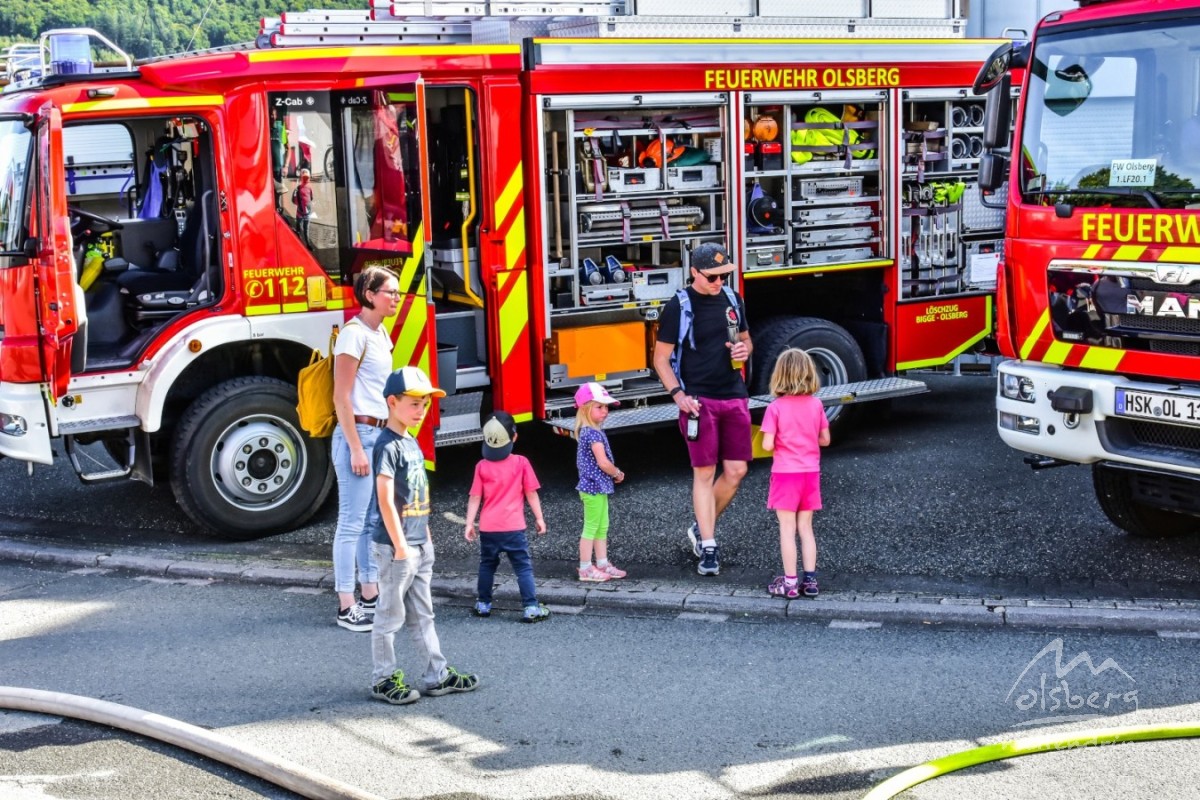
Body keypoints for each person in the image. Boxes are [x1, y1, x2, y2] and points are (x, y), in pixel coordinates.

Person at [366, 366, 480, 705]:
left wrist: (425, 536)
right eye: (414, 404)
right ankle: (383, 679)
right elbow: (385, 500)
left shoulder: (411, 441)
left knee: (423, 614)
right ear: (391, 402)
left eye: (425, 404)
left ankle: (437, 675)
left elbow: (415, 493)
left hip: (417, 544)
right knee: (390, 616)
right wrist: (401, 545)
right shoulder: (387, 445)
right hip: (395, 548)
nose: (421, 411)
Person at [651, 242, 752, 577]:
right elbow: (660, 358)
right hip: (698, 400)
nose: (718, 283)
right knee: (704, 473)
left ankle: (700, 526)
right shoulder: (678, 306)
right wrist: (678, 395)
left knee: (736, 471)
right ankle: (709, 546)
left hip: (734, 394)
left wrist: (744, 350)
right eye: (712, 277)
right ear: (694, 272)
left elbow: (747, 340)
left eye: (724, 276)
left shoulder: (732, 299)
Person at [330, 266, 401, 632]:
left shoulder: (380, 333)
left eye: (398, 292)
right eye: (390, 292)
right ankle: (346, 606)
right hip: (356, 434)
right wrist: (356, 448)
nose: (396, 298)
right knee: (351, 522)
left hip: (375, 433)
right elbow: (340, 397)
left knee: (370, 522)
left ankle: (370, 595)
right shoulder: (352, 335)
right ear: (370, 294)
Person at [464, 411, 551, 623]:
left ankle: (483, 604)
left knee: (487, 565)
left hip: (488, 528)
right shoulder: (521, 463)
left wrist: (469, 523)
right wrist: (539, 518)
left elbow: (475, 497)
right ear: (514, 437)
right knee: (522, 567)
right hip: (514, 528)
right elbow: (531, 493)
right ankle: (530, 607)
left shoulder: (481, 466)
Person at [759, 348, 831, 599]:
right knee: (806, 528)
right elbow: (825, 439)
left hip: (785, 474)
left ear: (779, 376)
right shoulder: (816, 404)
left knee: (786, 529)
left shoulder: (776, 408)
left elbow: (767, 445)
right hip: (810, 473)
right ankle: (810, 581)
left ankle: (790, 583)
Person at [573, 382, 627, 583]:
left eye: (606, 407)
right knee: (592, 527)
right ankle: (586, 568)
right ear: (585, 409)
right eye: (599, 407)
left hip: (596, 487)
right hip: (593, 487)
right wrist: (617, 473)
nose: (605, 411)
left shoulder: (590, 431)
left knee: (601, 526)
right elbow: (603, 462)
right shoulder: (593, 434)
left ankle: (602, 563)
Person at [292, 168, 314, 248]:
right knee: (301, 228)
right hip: (301, 212)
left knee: (304, 229)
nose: (305, 180)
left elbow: (311, 198)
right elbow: (311, 198)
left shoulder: (306, 188)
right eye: (304, 178)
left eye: (306, 178)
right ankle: (300, 243)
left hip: (305, 213)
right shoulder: (298, 188)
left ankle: (306, 244)